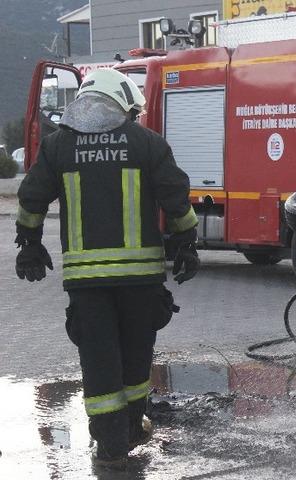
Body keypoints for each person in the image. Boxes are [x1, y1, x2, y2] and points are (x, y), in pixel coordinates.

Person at [14, 69, 199, 469]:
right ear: (122, 102)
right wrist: (186, 244)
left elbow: (31, 198)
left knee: (99, 365)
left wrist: (29, 243)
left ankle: (111, 448)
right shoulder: (146, 143)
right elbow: (176, 198)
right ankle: (132, 430)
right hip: (141, 282)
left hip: (87, 284)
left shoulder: (58, 146)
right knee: (135, 361)